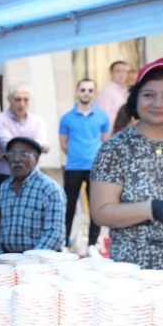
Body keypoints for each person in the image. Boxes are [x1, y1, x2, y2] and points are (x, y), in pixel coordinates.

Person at [91, 58, 163, 275]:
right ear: (136, 99)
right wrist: (151, 209)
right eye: (149, 95)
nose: (158, 103)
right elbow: (101, 213)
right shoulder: (115, 149)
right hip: (137, 278)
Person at [59, 79, 110, 250]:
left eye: (90, 90)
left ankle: (92, 245)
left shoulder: (103, 117)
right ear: (77, 91)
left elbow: (105, 142)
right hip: (73, 167)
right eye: (83, 89)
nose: (86, 93)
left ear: (94, 93)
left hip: (95, 169)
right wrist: (78, 155)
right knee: (69, 207)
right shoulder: (66, 118)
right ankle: (64, 243)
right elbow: (63, 144)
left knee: (95, 208)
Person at [0, 85, 50, 225]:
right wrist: (35, 147)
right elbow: (9, 144)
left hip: (32, 176)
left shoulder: (37, 120)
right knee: (6, 221)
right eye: (17, 99)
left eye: (26, 99)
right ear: (9, 100)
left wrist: (6, 153)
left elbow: (42, 144)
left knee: (33, 218)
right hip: (6, 175)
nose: (22, 103)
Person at [0, 137, 66, 253]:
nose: (16, 159)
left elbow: (55, 235)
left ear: (37, 159)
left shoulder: (50, 189)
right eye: (12, 154)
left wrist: (29, 259)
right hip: (11, 259)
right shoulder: (4, 187)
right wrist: (1, 255)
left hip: (40, 260)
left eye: (24, 154)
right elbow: (4, 228)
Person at [96, 60, 131, 127]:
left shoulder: (127, 91)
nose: (122, 74)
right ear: (111, 73)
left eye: (126, 71)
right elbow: (104, 120)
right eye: (118, 71)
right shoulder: (107, 93)